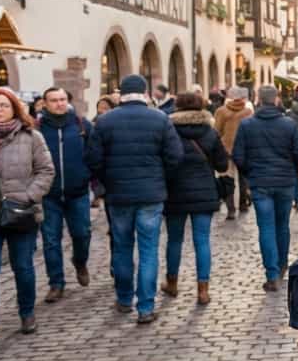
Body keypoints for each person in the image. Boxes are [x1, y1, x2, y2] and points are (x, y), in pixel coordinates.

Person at [86, 74, 184, 323]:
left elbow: (94, 159)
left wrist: (107, 183)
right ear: (144, 92)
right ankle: (146, 307)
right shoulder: (160, 119)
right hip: (151, 193)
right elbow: (175, 157)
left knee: (122, 247)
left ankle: (123, 298)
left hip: (118, 195)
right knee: (149, 250)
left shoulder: (105, 121)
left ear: (122, 94)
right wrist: (161, 179)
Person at [0, 88, 55, 356]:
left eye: (3, 105)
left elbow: (46, 170)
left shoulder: (32, 137)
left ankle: (27, 312)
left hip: (21, 213)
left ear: (15, 108)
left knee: (23, 267)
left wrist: (28, 197)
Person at [232, 86, 298, 291]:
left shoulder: (247, 125)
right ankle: (282, 266)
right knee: (282, 226)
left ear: (258, 99)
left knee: (266, 227)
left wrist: (250, 174)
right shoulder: (289, 124)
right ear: (276, 100)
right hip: (284, 182)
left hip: (260, 183)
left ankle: (271, 273)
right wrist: (291, 170)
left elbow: (238, 156)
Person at [162, 92, 229, 306]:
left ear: (177, 107)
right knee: (202, 240)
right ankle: (203, 289)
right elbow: (222, 165)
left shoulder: (169, 131)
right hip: (204, 192)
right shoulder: (210, 132)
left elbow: (165, 161)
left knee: (174, 240)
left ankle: (172, 282)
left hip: (175, 193)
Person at [36, 87, 94, 301]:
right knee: (51, 239)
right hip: (48, 194)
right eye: (54, 100)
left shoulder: (81, 124)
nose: (59, 104)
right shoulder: (37, 128)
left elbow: (93, 153)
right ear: (45, 103)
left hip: (77, 191)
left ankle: (80, 262)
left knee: (82, 233)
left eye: (62, 99)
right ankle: (56, 283)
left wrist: (89, 178)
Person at [214, 86, 253, 218]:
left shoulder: (221, 111)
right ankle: (243, 204)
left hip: (226, 149)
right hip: (244, 149)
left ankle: (231, 209)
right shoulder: (248, 112)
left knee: (228, 179)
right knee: (243, 179)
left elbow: (217, 131)